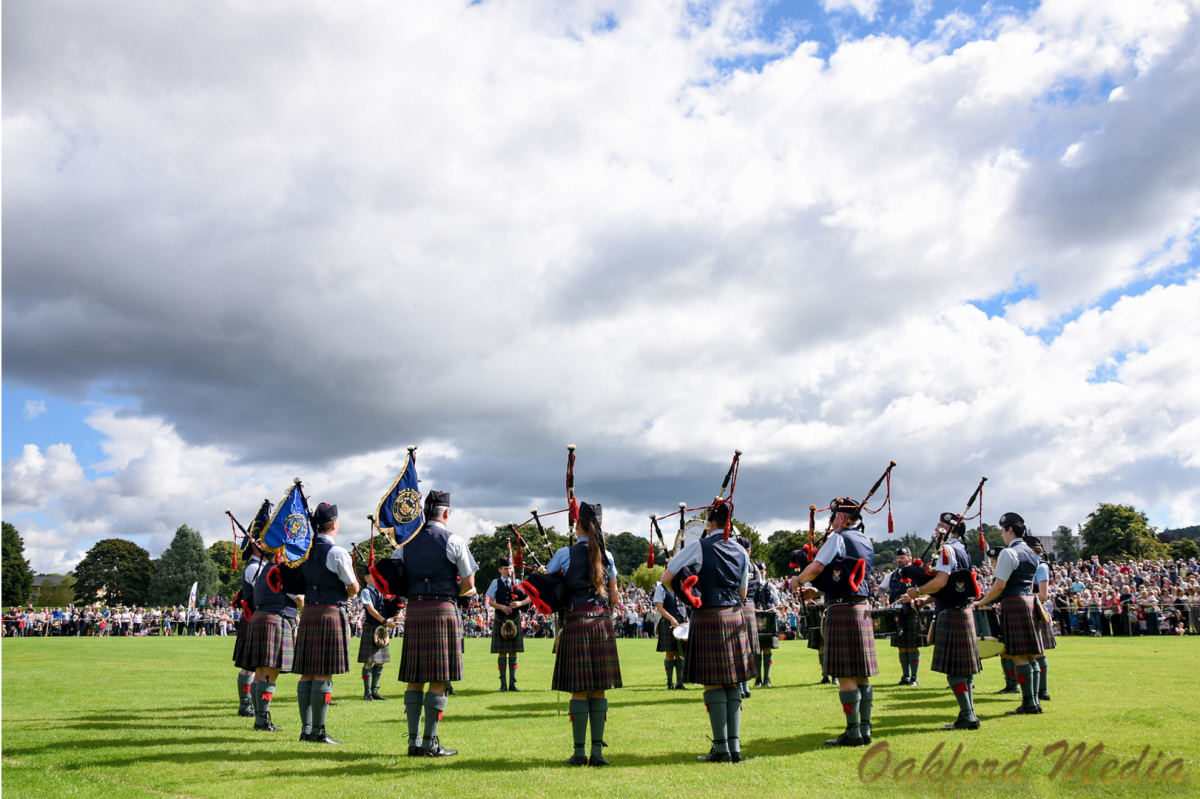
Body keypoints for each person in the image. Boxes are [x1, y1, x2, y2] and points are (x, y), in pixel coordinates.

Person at [663, 501, 753, 763]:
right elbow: (743, 593)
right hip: (735, 615)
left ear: (711, 523)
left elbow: (666, 577)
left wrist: (688, 595)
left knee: (713, 681)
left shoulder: (698, 546)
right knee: (733, 681)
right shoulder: (741, 551)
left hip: (708, 614)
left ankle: (721, 748)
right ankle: (735, 747)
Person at [395, 490, 478, 757]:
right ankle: (430, 743)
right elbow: (469, 584)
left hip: (415, 609)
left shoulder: (405, 543)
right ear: (445, 513)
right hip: (443, 609)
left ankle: (413, 743)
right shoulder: (454, 540)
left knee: (414, 677)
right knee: (439, 678)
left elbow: (394, 578)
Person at [795, 498, 877, 747]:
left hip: (842, 611)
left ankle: (852, 732)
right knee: (862, 674)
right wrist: (818, 593)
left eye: (833, 518)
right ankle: (864, 728)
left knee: (845, 674)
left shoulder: (838, 539)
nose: (831, 523)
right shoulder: (866, 541)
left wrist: (797, 582)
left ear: (842, 518)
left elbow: (816, 568)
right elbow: (847, 577)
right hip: (861, 608)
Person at [546, 501, 621, 767]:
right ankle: (597, 753)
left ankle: (579, 754)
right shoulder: (608, 557)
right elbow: (613, 598)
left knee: (579, 690)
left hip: (576, 623)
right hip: (601, 623)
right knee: (598, 690)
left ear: (577, 525)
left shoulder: (564, 554)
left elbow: (546, 584)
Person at [292, 502, 359, 744]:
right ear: (334, 525)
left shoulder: (304, 552)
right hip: (330, 613)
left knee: (307, 673)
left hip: (309, 612)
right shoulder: (337, 553)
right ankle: (318, 731)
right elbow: (353, 588)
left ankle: (306, 729)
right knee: (323, 673)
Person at [908, 513, 982, 730]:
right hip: (962, 611)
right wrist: (925, 599)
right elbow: (950, 584)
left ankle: (968, 717)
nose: (935, 529)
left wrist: (918, 591)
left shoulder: (947, 549)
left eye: (939, 526)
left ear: (949, 529)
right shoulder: (962, 549)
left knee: (955, 671)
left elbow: (941, 581)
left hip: (950, 613)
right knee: (964, 671)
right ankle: (969, 714)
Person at [975, 513, 1044, 715]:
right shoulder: (1031, 552)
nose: (1002, 535)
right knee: (1031, 655)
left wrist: (982, 601)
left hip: (1014, 602)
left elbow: (999, 585)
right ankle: (1034, 701)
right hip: (1030, 601)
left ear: (1009, 530)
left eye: (1003, 531)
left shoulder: (1008, 553)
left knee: (1019, 656)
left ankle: (1029, 703)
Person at [242, 551, 303, 731]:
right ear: (279, 555)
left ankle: (260, 719)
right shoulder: (282, 571)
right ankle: (262, 721)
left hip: (259, 619)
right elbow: (299, 599)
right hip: (275, 621)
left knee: (260, 673)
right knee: (269, 675)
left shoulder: (262, 572)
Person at [879, 547, 922, 686]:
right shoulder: (892, 575)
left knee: (912, 646)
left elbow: (928, 591)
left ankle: (914, 677)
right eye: (898, 558)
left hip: (911, 612)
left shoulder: (918, 573)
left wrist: (913, 599)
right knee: (901, 647)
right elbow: (881, 589)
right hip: (896, 614)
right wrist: (883, 598)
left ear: (910, 558)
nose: (899, 560)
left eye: (902, 557)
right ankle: (905, 676)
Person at [485, 557, 530, 691]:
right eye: (505, 569)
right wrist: (501, 607)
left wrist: (520, 603)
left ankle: (512, 684)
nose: (508, 571)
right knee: (502, 652)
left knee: (513, 652)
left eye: (510, 568)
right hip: (500, 619)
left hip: (515, 618)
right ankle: (503, 684)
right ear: (500, 570)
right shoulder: (495, 582)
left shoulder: (517, 582)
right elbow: (490, 601)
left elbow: (530, 598)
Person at [233, 537, 263, 718]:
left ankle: (250, 703)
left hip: (256, 618)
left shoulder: (259, 565)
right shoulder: (254, 567)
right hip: (253, 617)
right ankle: (245, 704)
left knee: (256, 665)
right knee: (249, 665)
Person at [358, 572, 395, 701]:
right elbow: (371, 610)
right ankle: (367, 692)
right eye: (372, 576)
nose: (375, 579)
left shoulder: (383, 592)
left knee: (380, 662)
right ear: (366, 578)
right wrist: (385, 622)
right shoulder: (365, 592)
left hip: (382, 629)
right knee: (368, 661)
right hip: (371, 627)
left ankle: (375, 691)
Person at [654, 575, 687, 690]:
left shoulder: (681, 587)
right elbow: (660, 607)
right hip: (668, 623)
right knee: (670, 653)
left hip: (682, 623)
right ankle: (669, 683)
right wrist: (671, 619)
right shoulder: (661, 588)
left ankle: (679, 683)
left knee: (680, 653)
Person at [752, 560, 781, 688]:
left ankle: (767, 678)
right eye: (758, 571)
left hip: (768, 621)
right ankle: (758, 679)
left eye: (762, 571)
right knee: (757, 650)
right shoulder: (751, 585)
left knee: (767, 649)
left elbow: (777, 603)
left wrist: (777, 609)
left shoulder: (771, 586)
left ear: (765, 572)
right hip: (754, 619)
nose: (760, 573)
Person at [1031, 540, 1054, 702]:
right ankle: (1036, 690)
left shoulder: (1041, 566)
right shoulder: (1032, 566)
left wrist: (1022, 597)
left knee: (1038, 652)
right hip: (1031, 608)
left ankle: (1043, 690)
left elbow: (1044, 594)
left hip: (1037, 610)